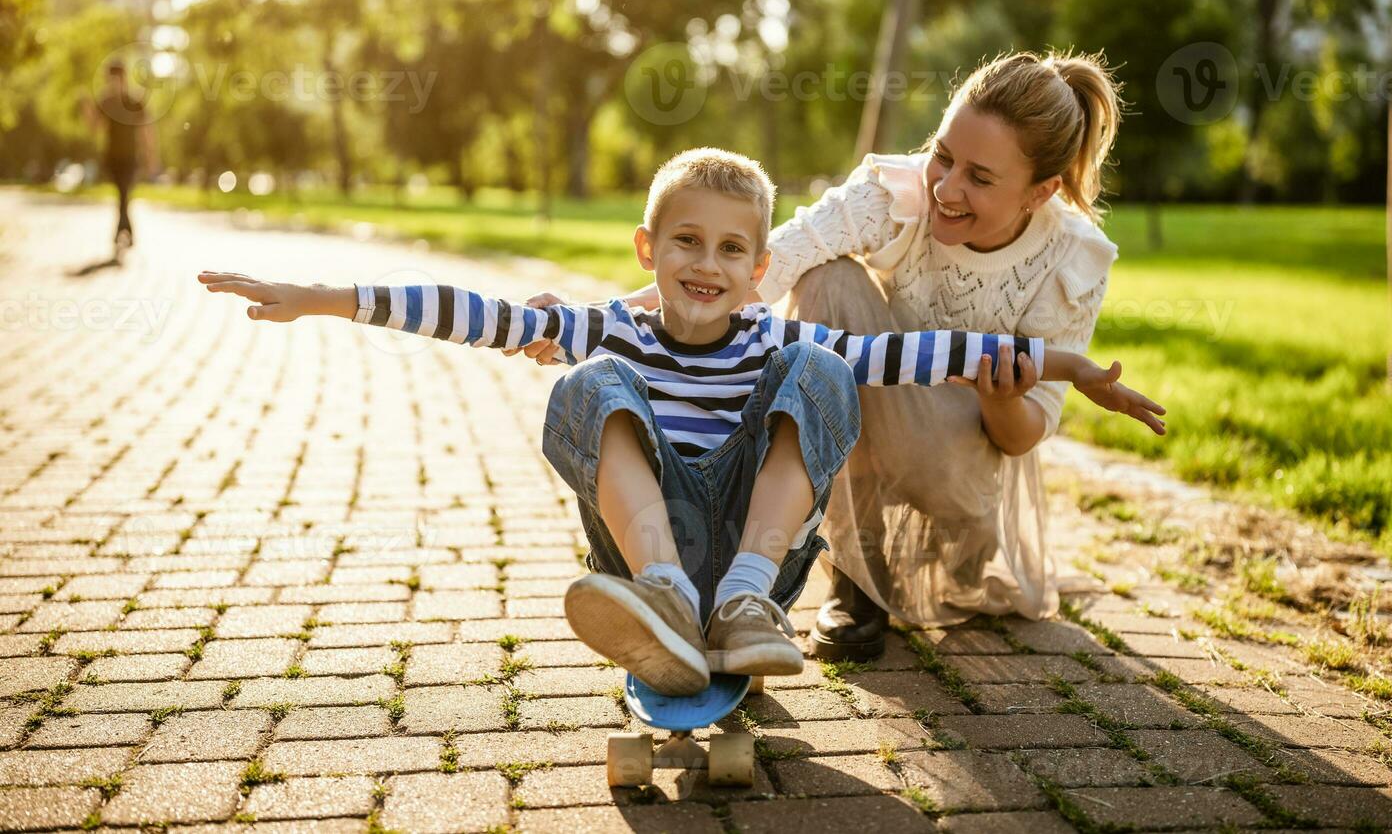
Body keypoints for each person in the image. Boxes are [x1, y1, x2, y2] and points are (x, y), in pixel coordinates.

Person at [198, 147, 1162, 695]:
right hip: (645, 551)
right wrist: (321, 296)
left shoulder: (759, 338)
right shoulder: (615, 325)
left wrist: (1074, 368)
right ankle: (660, 593)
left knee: (822, 366)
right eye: (686, 242)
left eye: (732, 249)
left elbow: (931, 355)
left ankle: (744, 599)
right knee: (587, 381)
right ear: (647, 248)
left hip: (758, 548)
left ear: (758, 271)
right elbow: (474, 315)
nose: (706, 264)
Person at [511, 51, 1152, 661]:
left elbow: (1023, 436)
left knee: (865, 354)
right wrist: (581, 325)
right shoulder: (896, 193)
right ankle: (851, 576)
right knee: (826, 280)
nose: (947, 188)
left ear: (1038, 193)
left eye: (980, 178)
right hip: (871, 377)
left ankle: (900, 563)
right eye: (943, 156)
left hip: (961, 452)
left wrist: (999, 394)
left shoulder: (1071, 257)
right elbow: (750, 271)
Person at [87, 59, 156, 257]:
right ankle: (127, 232)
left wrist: (151, 156)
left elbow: (146, 130)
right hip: (112, 156)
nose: (113, 82)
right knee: (122, 195)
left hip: (131, 156)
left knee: (123, 194)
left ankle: (119, 233)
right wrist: (87, 109)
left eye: (117, 78)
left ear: (123, 78)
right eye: (110, 79)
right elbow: (95, 127)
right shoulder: (106, 101)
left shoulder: (135, 101)